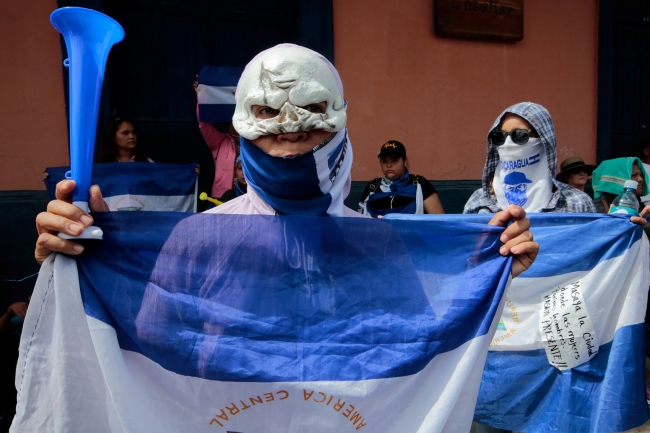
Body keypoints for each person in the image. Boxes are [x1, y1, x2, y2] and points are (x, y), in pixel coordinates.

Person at [36, 45, 538, 291]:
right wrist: (83, 264)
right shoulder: (192, 243)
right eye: (268, 113)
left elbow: (421, 346)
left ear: (340, 121)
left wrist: (487, 272)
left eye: (313, 112)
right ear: (241, 123)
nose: (291, 128)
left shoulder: (382, 246)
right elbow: (138, 350)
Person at [464, 103, 597, 215]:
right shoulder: (480, 201)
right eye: (500, 136)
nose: (508, 143)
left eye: (520, 135)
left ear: (545, 139)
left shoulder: (577, 203)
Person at [358, 140, 444, 217]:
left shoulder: (419, 183)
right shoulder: (373, 186)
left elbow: (439, 221)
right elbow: (359, 220)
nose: (389, 165)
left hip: (412, 234)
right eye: (384, 161)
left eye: (394, 160)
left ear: (405, 162)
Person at [194, 75, 237, 199]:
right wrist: (201, 96)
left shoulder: (254, 141)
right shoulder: (220, 142)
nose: (236, 123)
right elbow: (204, 124)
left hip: (247, 197)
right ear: (227, 124)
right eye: (232, 121)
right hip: (221, 198)